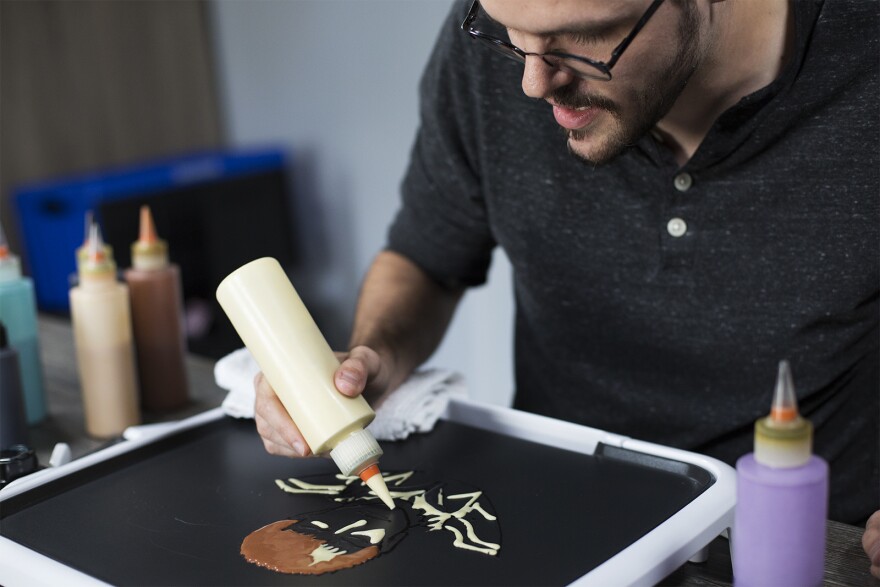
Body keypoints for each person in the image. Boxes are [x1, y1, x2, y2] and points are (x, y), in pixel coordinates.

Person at [253, 0, 879, 572]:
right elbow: (427, 257)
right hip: (551, 522)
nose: (532, 83)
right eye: (509, 35)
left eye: (582, 39)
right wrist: (373, 358)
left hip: (806, 545)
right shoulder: (505, 51)